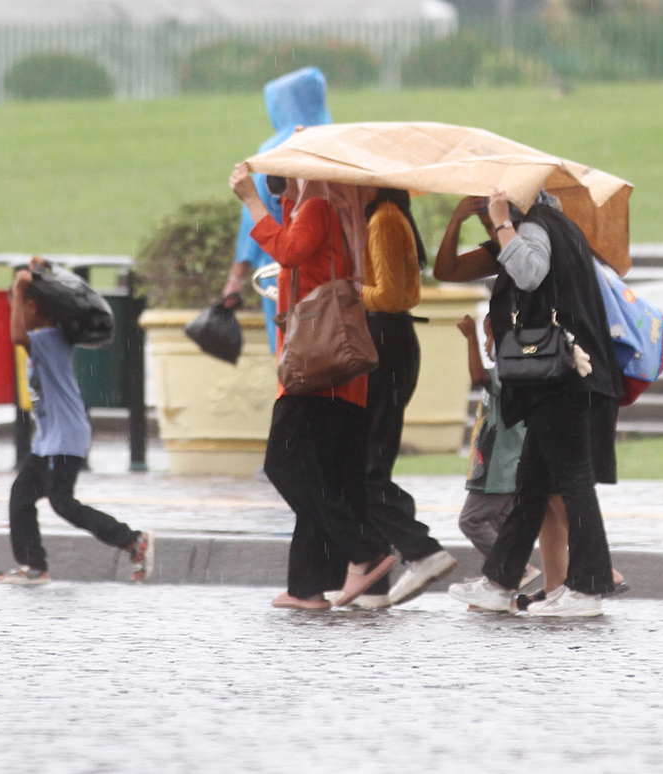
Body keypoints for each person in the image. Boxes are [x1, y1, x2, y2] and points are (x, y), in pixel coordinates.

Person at [439, 190, 623, 617]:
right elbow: (448, 269)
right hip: (556, 378)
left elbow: (528, 274)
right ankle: (500, 580)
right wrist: (468, 221)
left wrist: (503, 221)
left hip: (562, 376)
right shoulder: (550, 229)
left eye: (494, 211)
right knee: (533, 484)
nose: (490, 224)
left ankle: (588, 586)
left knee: (574, 481)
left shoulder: (536, 226)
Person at [230, 163, 395, 610]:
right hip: (336, 370)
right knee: (318, 477)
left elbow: (289, 252)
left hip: (314, 369)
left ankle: (365, 549)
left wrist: (250, 199)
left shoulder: (318, 206)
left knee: (285, 465)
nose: (275, 179)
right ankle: (306, 586)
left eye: (284, 171)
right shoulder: (328, 208)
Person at [0, 257, 153, 586]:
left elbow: (15, 337)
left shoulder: (50, 339)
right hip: (49, 441)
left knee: (62, 503)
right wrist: (38, 273)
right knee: (21, 497)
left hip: (64, 439)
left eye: (19, 307)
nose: (16, 314)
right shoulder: (49, 336)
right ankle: (34, 566)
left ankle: (132, 540)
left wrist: (22, 286)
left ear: (36, 308)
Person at [354, 187, 458, 607]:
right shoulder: (386, 216)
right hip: (389, 340)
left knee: (363, 468)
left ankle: (421, 550)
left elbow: (391, 296)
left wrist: (348, 289)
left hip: (385, 338)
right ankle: (381, 579)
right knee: (369, 460)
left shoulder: (384, 219)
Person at [222, 67, 332, 352]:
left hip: (281, 270)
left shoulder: (275, 151)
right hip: (332, 276)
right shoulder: (333, 144)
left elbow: (253, 221)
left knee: (291, 356)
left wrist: (235, 279)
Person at [456, 313, 540, 589]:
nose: (484, 344)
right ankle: (503, 580)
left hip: (498, 469)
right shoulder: (517, 374)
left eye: (488, 337)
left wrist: (469, 336)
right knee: (502, 523)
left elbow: (478, 376)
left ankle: (513, 569)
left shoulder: (506, 376)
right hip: (500, 466)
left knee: (472, 520)